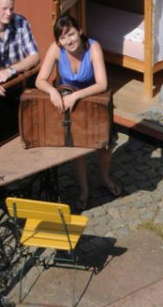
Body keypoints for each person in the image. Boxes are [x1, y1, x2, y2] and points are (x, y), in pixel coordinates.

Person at [35, 14, 122, 210]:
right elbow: (39, 80)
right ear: (58, 40)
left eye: (71, 34)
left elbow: (102, 83)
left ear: (80, 31)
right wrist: (51, 91)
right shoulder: (56, 49)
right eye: (63, 38)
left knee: (105, 145)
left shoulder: (93, 47)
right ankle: (84, 190)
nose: (68, 41)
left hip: (94, 103)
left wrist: (76, 95)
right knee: (78, 149)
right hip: (69, 107)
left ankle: (104, 178)